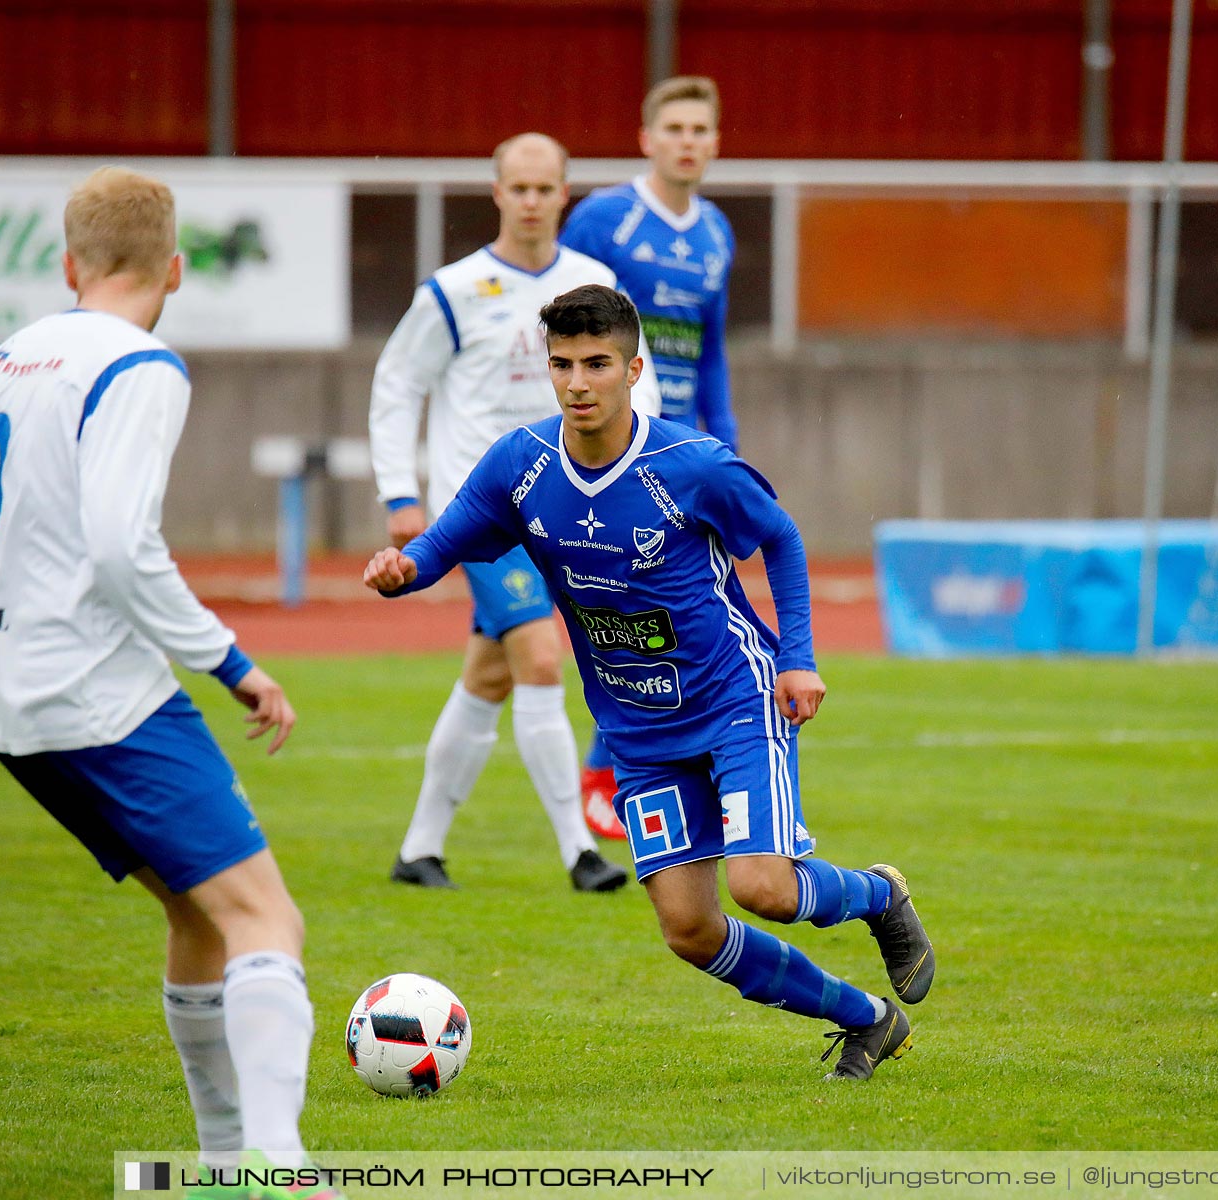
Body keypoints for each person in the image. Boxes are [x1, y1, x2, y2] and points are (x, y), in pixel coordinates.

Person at [363, 285, 935, 1081]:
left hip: (737, 700)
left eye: (597, 364)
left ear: (634, 368)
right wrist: (403, 568)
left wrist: (799, 656)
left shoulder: (690, 465)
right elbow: (443, 542)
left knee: (762, 886)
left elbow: (781, 537)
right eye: (562, 365)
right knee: (690, 931)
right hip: (638, 732)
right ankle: (867, 1020)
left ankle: (877, 896)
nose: (577, 383)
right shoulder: (521, 467)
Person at [0, 167, 336, 1198]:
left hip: (11, 706)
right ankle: (281, 1169)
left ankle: (225, 1169)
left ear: (69, 264)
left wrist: (2, 648)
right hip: (104, 695)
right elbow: (119, 545)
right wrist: (233, 661)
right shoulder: (139, 363)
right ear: (174, 270)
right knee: (268, 921)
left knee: (198, 918)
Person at [370, 133, 660, 892]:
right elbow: (398, 384)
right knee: (539, 657)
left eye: (546, 187)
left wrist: (651, 482)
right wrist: (402, 493)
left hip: (576, 512)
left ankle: (419, 850)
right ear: (497, 192)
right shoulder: (454, 289)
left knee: (489, 676)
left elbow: (642, 387)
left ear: (565, 193)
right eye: (518, 187)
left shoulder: (594, 280)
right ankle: (579, 852)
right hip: (490, 514)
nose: (532, 200)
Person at [560, 75, 737, 839]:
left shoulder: (716, 233)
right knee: (623, 603)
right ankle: (610, 764)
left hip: (689, 452)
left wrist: (727, 446)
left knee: (691, 610)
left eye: (702, 130)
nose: (689, 142)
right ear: (648, 140)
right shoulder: (604, 219)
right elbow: (565, 329)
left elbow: (712, 353)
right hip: (619, 446)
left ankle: (645, 765)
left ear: (716, 143)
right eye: (676, 129)